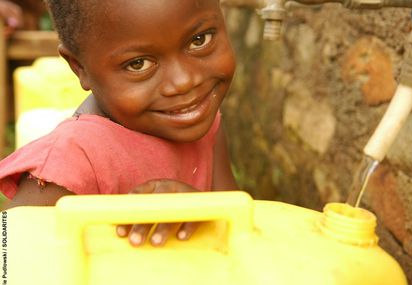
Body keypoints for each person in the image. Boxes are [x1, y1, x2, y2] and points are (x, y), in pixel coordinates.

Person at [0, 0, 238, 247]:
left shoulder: (201, 122)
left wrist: (206, 213)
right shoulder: (73, 162)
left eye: (199, 40)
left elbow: (242, 229)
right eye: (138, 64)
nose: (184, 81)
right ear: (80, 68)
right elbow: (10, 260)